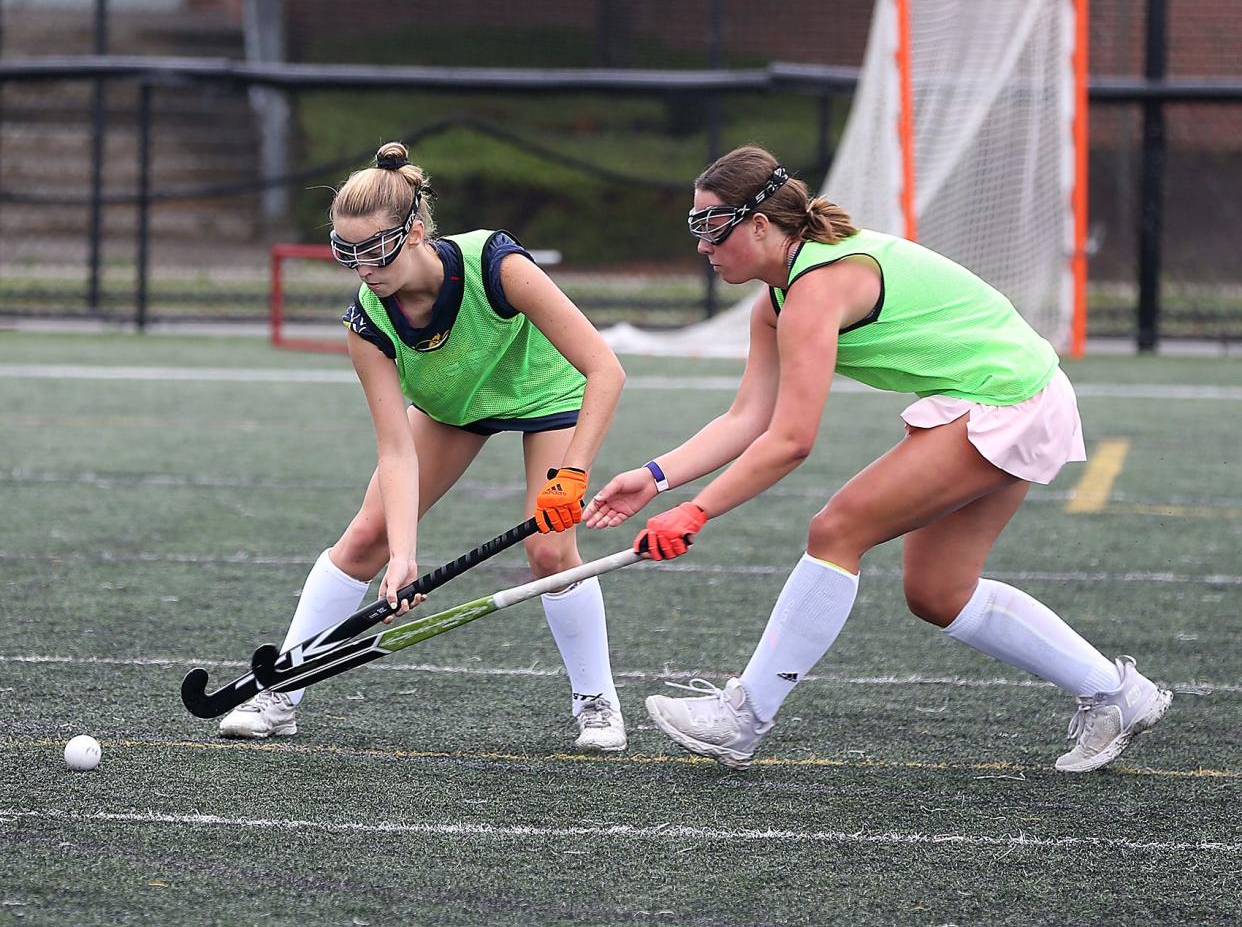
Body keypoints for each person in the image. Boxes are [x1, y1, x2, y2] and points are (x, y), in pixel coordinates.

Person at [584, 144, 1172, 773]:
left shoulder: (817, 285)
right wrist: (654, 478)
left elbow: (791, 440)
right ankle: (1115, 694)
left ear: (759, 224)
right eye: (694, 227)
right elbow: (746, 419)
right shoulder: (775, 300)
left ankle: (744, 716)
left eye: (712, 226)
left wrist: (697, 511)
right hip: (1019, 392)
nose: (702, 244)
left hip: (1007, 398)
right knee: (939, 592)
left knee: (837, 529)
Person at [219, 142, 628, 751]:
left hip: (544, 397)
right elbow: (396, 451)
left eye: (375, 249)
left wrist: (573, 474)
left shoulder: (496, 263)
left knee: (549, 550)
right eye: (347, 253)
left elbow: (605, 370)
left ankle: (597, 705)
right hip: (452, 408)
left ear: (414, 231)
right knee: (366, 538)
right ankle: (282, 690)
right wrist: (403, 557)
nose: (364, 268)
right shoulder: (369, 320)